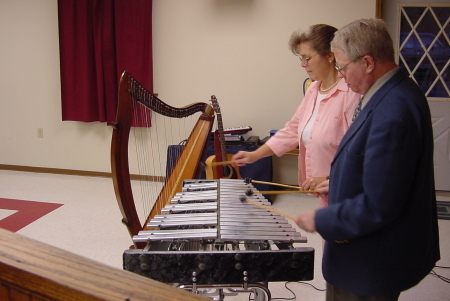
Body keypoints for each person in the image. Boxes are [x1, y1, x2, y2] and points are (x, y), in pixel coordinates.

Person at [295, 18, 440, 300]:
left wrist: (322, 219)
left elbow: (378, 204)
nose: (341, 74)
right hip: (370, 252)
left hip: (369, 259)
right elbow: (380, 169)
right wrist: (335, 181)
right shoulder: (394, 91)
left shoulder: (392, 112)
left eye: (343, 66)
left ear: (369, 63)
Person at [232, 24, 361, 209]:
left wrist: (329, 179)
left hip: (347, 192)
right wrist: (254, 155)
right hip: (325, 192)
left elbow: (359, 152)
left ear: (330, 55)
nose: (303, 64)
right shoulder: (314, 89)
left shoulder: (351, 93)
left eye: (307, 58)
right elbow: (292, 130)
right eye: (301, 59)